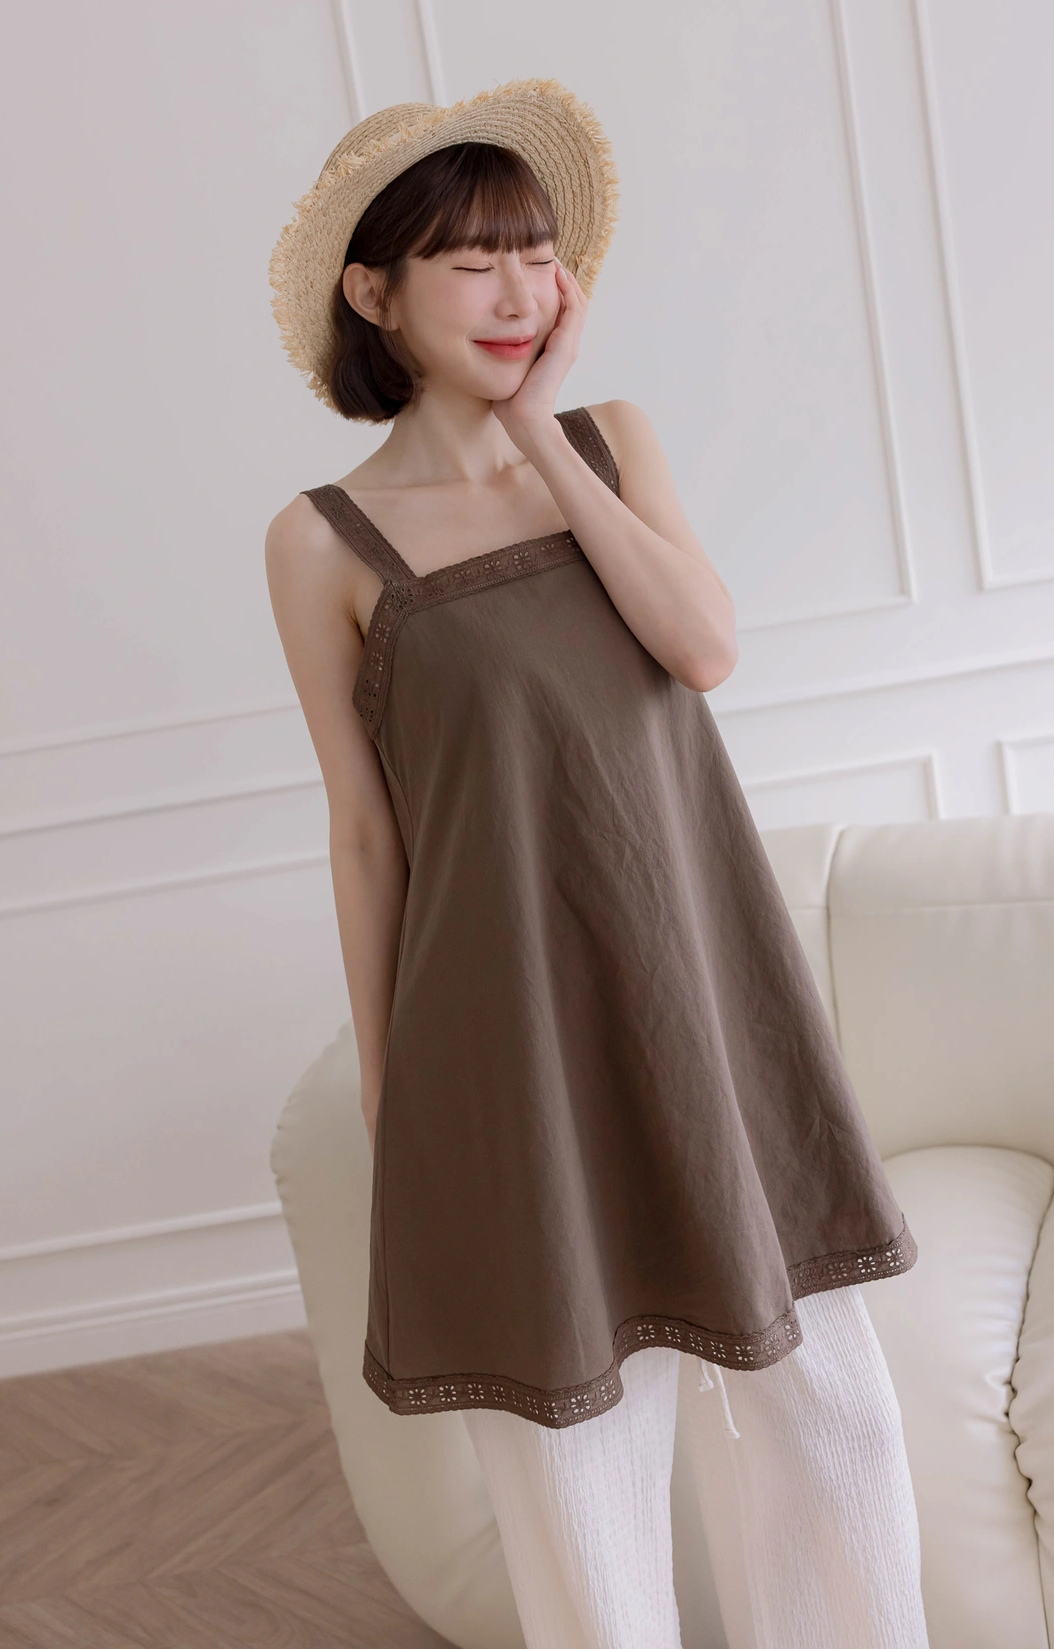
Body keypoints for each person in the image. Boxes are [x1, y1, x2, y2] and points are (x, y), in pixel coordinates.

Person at [265, 79, 929, 1649]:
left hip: (708, 998)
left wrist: (542, 440)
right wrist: (391, 1092)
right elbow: (364, 831)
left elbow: (701, 648)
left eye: (538, 253)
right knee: (578, 1461)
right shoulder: (322, 543)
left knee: (831, 1409)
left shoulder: (611, 446)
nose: (521, 291)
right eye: (473, 261)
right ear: (376, 294)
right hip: (499, 1041)